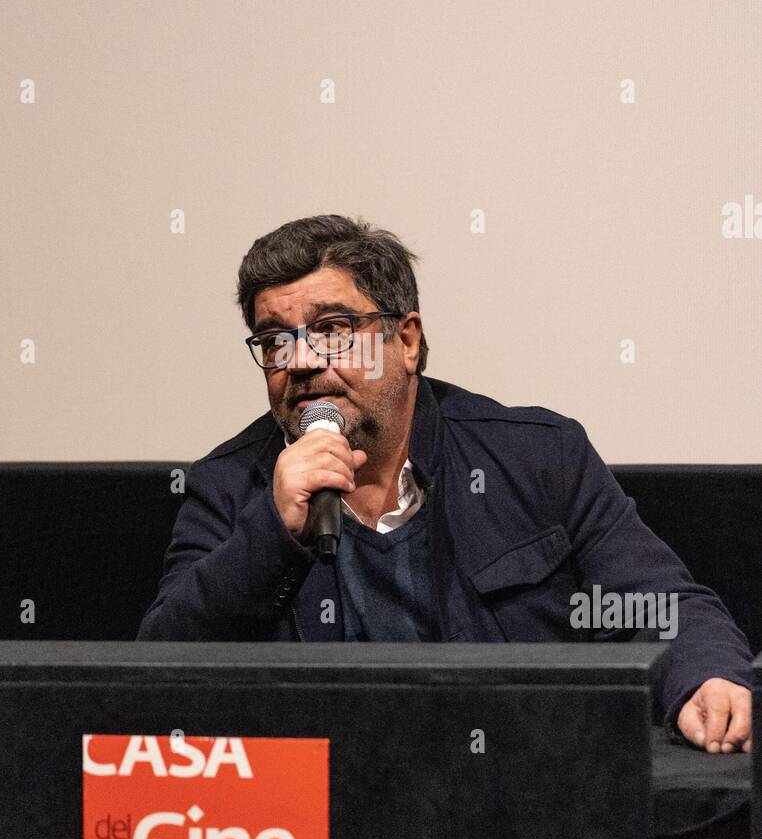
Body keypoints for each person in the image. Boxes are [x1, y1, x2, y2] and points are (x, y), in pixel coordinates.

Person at [138, 214, 753, 752]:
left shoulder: (536, 457)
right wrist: (273, 533)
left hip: (520, 789)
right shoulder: (230, 486)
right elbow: (157, 674)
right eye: (275, 341)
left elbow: (661, 602)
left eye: (331, 329)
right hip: (322, 817)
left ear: (405, 340)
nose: (300, 362)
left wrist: (705, 677)